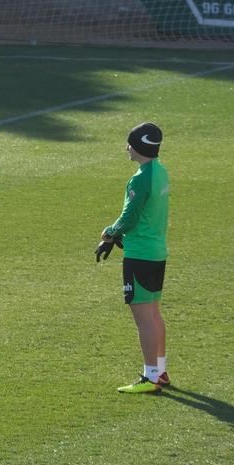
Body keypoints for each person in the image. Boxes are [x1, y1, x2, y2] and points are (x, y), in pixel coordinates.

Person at [96, 122, 170, 394]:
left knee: (143, 318)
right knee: (153, 313)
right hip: (156, 251)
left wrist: (110, 233)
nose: (126, 148)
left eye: (129, 143)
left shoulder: (140, 178)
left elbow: (130, 216)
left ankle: (150, 377)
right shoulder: (160, 172)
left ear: (138, 146)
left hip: (140, 254)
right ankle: (160, 371)